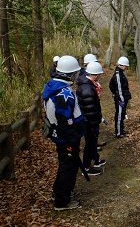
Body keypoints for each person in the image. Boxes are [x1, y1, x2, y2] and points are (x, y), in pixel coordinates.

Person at [42, 55, 85, 211]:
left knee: (66, 165)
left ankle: (58, 193)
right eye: (74, 73)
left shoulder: (57, 86)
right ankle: (62, 200)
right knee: (68, 167)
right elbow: (65, 120)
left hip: (64, 136)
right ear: (69, 74)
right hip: (66, 138)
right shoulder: (62, 94)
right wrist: (73, 141)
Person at [76, 61, 106, 176]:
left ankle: (95, 160)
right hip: (88, 122)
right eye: (99, 74)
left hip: (89, 120)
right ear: (95, 74)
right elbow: (90, 109)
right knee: (89, 144)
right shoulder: (88, 88)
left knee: (92, 142)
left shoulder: (89, 85)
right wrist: (94, 124)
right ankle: (86, 167)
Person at [109, 56, 131, 138]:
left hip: (122, 98)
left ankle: (121, 130)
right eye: (126, 66)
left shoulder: (120, 73)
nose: (126, 68)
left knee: (121, 115)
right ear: (123, 66)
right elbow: (119, 89)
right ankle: (118, 132)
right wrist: (121, 100)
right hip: (120, 100)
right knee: (119, 115)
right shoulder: (118, 75)